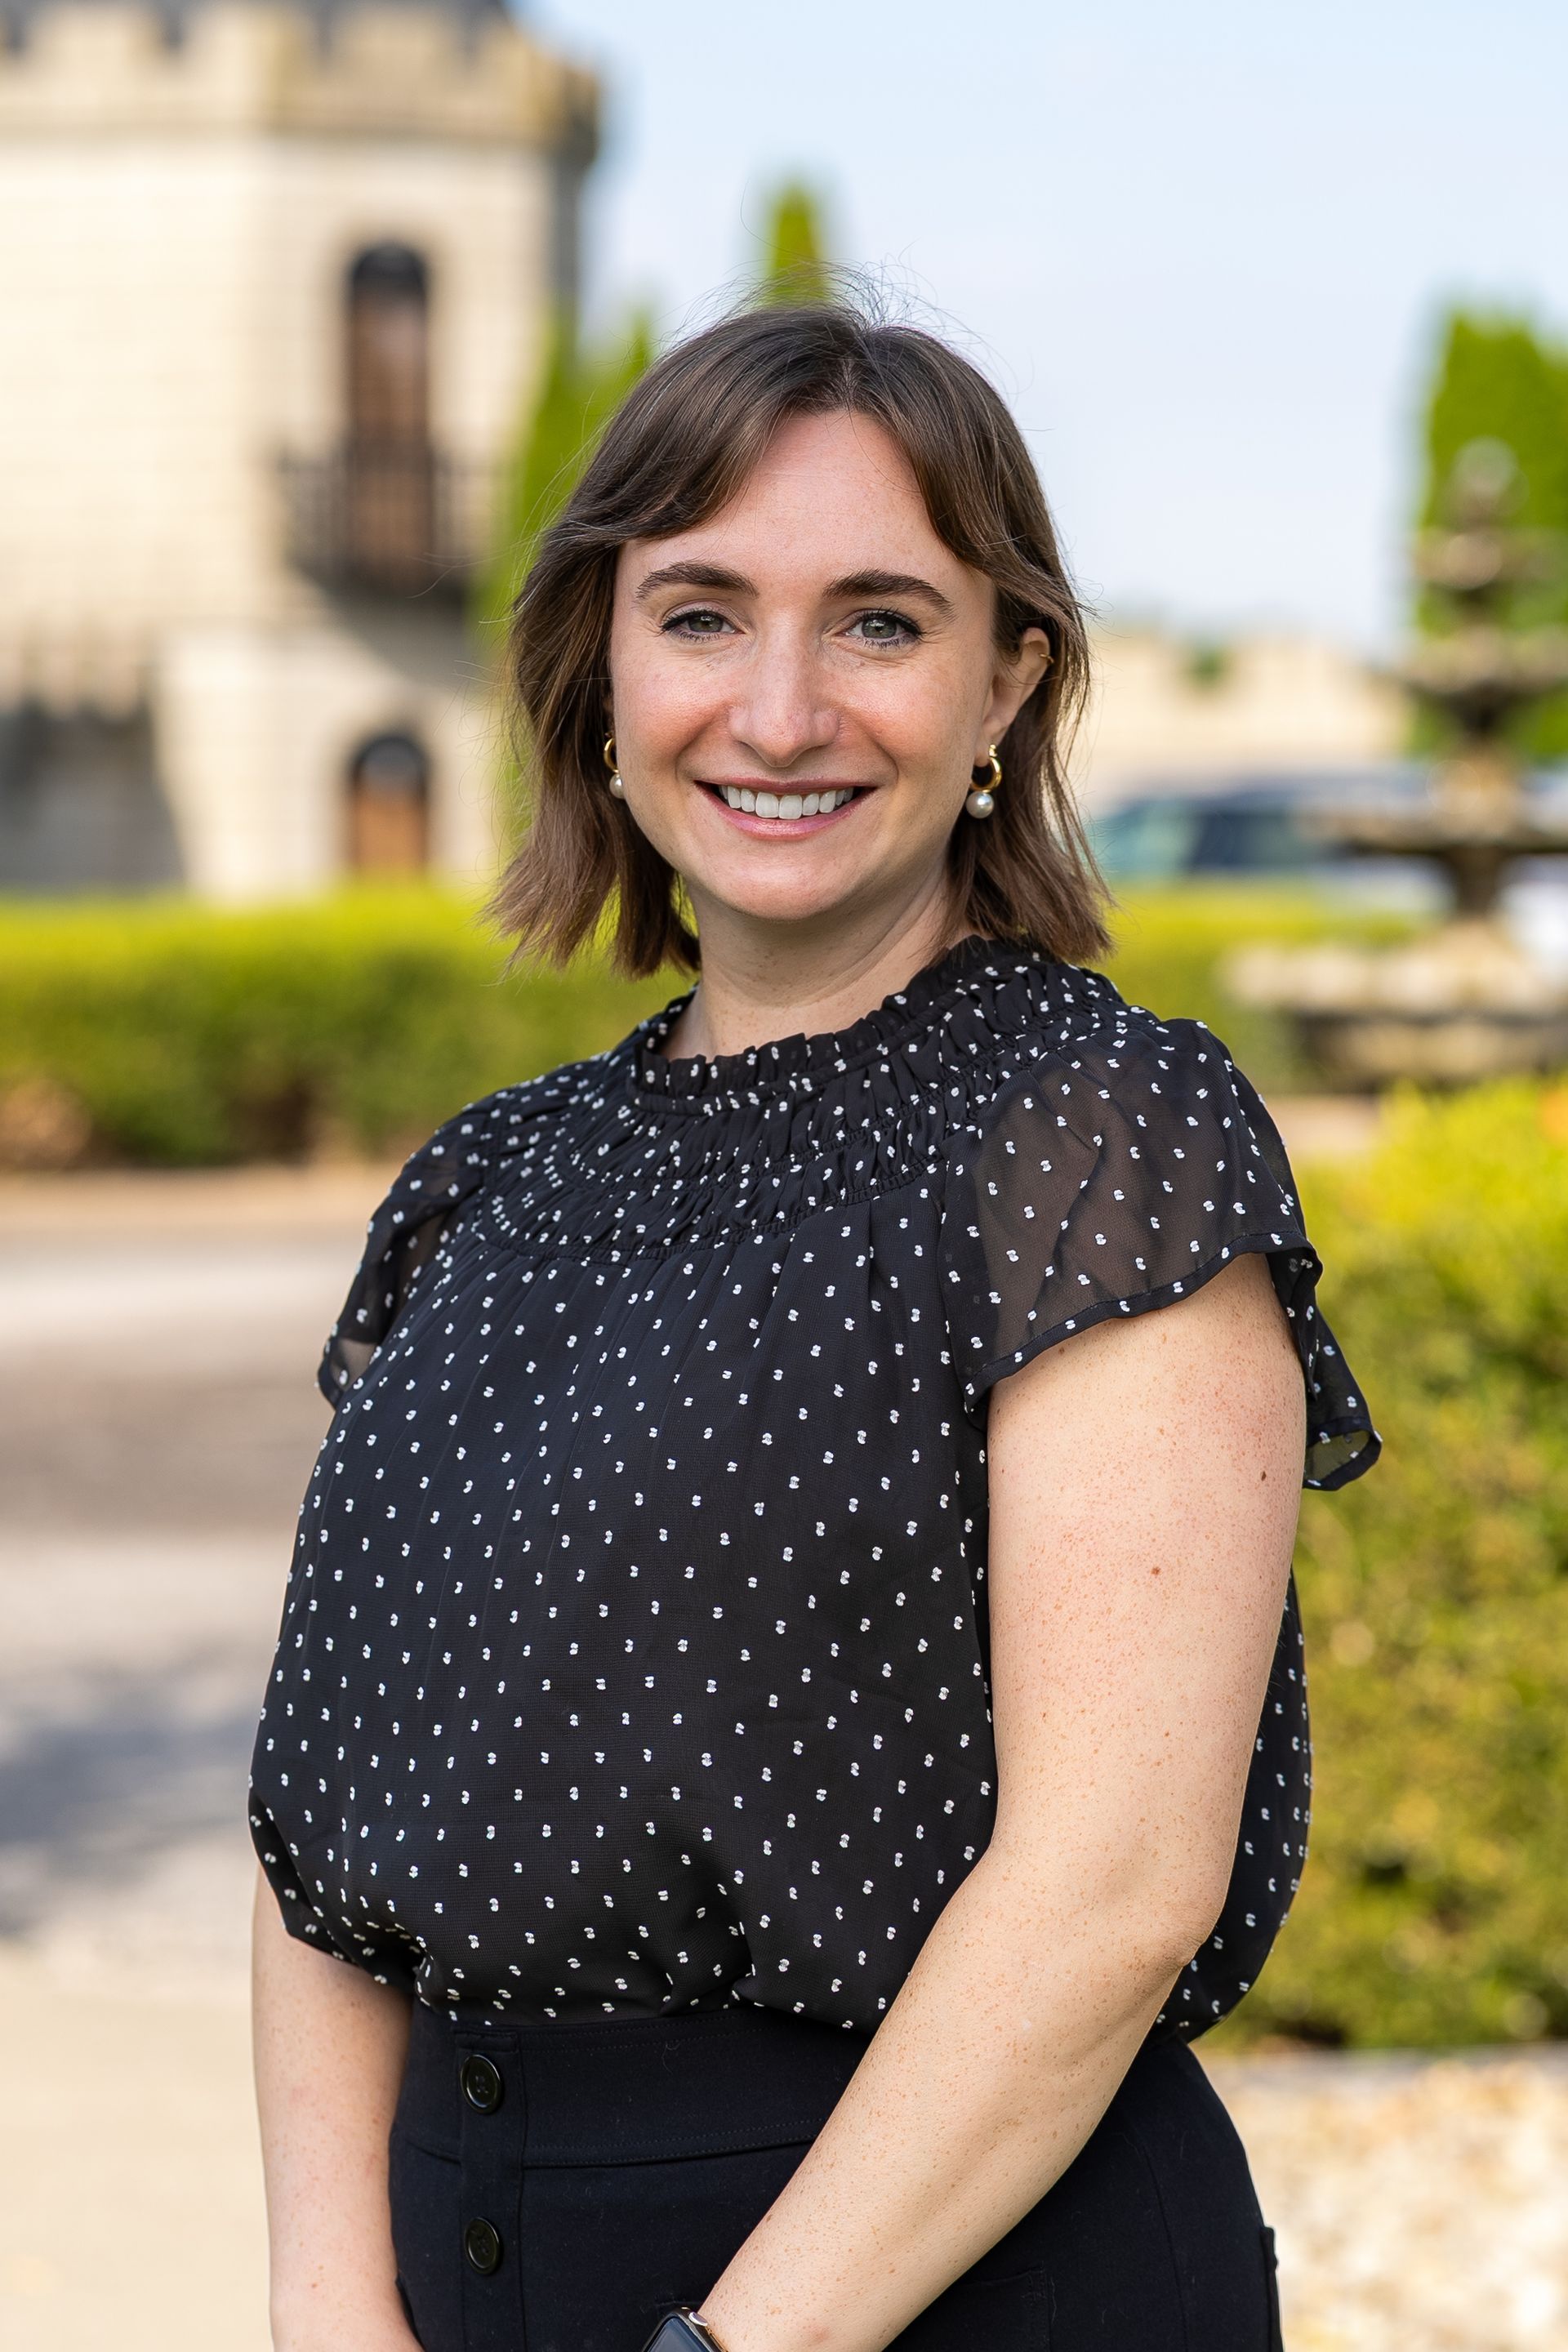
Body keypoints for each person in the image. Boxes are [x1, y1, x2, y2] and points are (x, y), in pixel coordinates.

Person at [250, 299, 1379, 2352]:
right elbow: (331, 1807)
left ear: (1004, 683)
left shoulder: (1094, 1140)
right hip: (459, 2274)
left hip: (938, 2285)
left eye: (876, 620)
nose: (779, 712)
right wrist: (330, 2305)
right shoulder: (494, 1179)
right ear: (599, 662)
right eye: (700, 614)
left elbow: (1113, 1890)